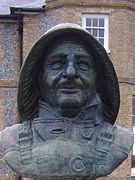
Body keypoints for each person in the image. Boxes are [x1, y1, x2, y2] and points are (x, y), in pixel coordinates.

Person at [0, 23, 133, 179]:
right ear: (38, 77)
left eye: (83, 64)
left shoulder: (121, 140)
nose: (70, 72)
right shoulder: (11, 139)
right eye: (57, 64)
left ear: (98, 79)